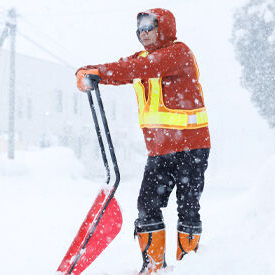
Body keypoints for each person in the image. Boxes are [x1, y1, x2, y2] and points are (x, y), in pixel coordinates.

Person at [75, 8, 211, 274]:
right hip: (160, 150)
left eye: (150, 27)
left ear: (165, 28)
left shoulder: (177, 52)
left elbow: (138, 68)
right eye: (140, 29)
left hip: (191, 148)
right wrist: (86, 71)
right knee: (147, 206)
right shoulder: (142, 59)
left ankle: (192, 267)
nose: (144, 33)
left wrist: (99, 72)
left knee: (188, 207)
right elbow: (124, 70)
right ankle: (153, 266)